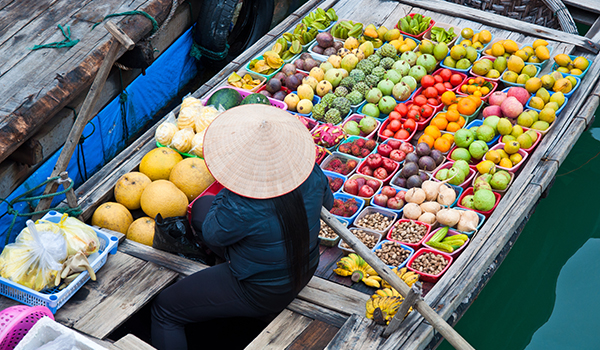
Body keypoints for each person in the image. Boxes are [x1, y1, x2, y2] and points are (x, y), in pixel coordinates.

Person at [151, 104, 334, 349]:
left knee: (165, 309)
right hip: (305, 265)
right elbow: (328, 204)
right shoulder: (310, 172)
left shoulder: (241, 202)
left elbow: (215, 235)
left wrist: (231, 189)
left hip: (262, 290)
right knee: (203, 208)